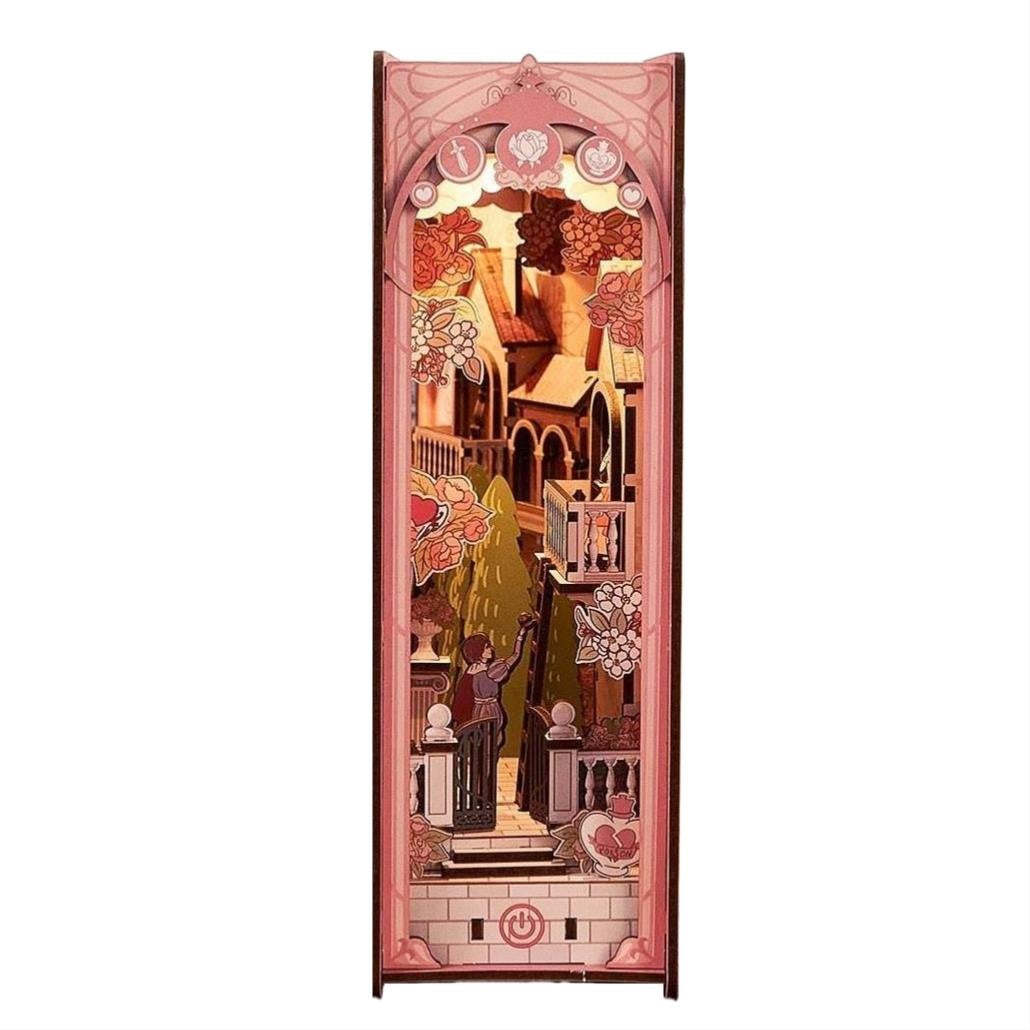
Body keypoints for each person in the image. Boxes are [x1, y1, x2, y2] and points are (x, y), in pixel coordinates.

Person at [451, 613, 537, 749]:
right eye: (487, 646)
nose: (491, 648)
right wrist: (521, 635)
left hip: (477, 712)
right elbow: (515, 656)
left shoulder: (471, 671)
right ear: (478, 650)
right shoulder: (491, 671)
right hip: (489, 710)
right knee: (491, 741)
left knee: (485, 741)